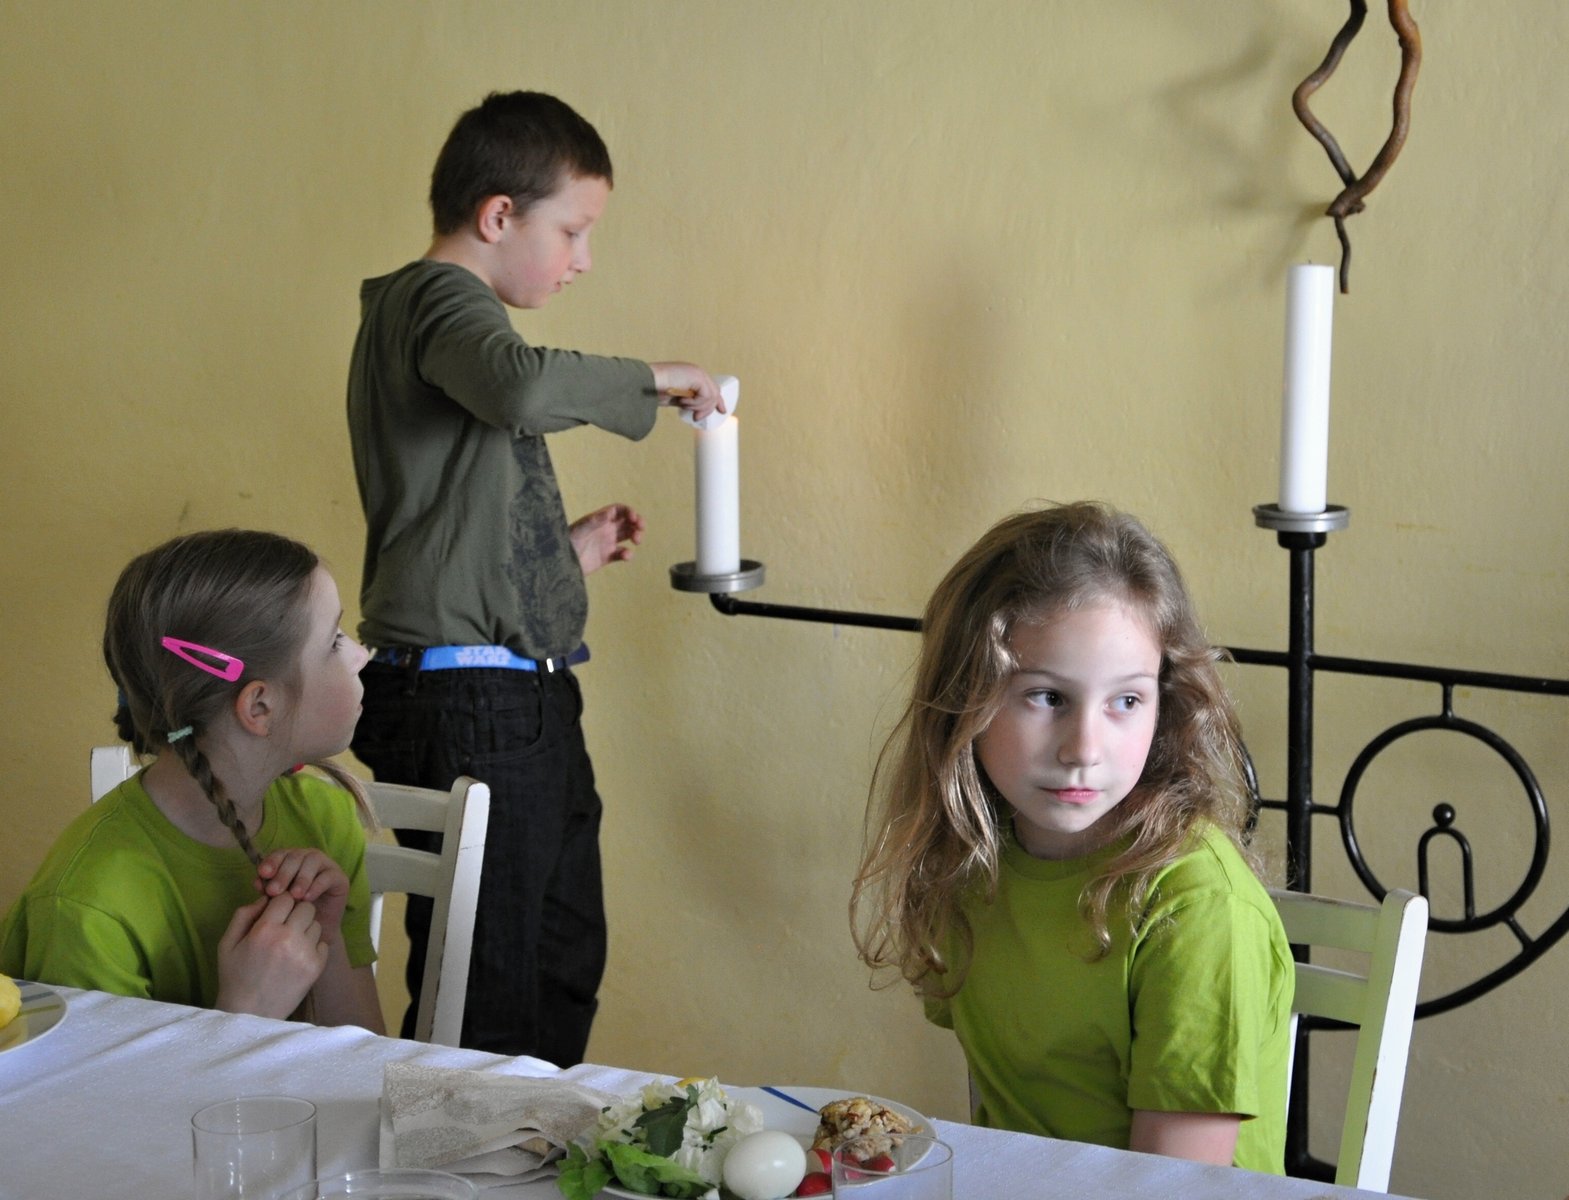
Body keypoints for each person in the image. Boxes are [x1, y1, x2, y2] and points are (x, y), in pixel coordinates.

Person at [345, 89, 724, 1064]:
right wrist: (651, 379)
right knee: (489, 993)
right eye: (573, 230)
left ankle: (529, 1137)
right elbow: (518, 388)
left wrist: (564, 552)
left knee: (557, 958)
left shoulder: (444, 325)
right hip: (471, 704)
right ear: (498, 215)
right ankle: (467, 1143)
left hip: (512, 696)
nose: (582, 259)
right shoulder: (437, 300)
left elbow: (455, 516)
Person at [850, 501, 1294, 1173]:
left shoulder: (1197, 907)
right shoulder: (973, 860)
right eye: (1047, 697)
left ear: (1165, 704)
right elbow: (1009, 1119)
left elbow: (1172, 1188)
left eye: (1126, 701)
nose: (1084, 749)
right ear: (962, 697)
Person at [0, 529, 384, 1031]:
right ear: (259, 706)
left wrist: (325, 940)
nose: (359, 654)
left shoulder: (325, 821)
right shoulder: (87, 905)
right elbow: (90, 1086)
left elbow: (368, 1053)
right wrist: (243, 1013)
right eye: (333, 641)